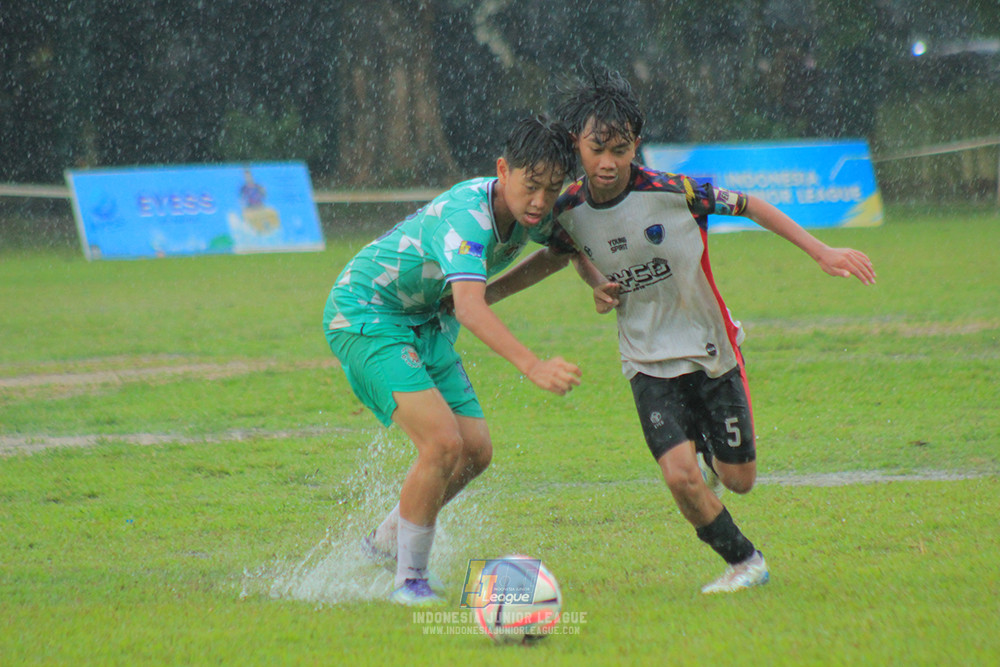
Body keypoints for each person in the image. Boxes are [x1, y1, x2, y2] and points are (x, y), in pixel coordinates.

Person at [488, 68, 876, 594]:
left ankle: (710, 459)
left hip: (710, 348)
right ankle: (744, 562)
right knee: (678, 475)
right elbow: (565, 253)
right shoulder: (568, 209)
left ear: (636, 146)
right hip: (646, 360)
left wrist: (821, 251)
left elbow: (752, 205)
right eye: (597, 149)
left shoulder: (675, 191)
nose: (608, 162)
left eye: (620, 149)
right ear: (577, 143)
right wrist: (564, 285)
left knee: (739, 480)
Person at [322, 115, 584, 606]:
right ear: (502, 170)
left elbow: (562, 250)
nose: (540, 201)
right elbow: (469, 307)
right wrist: (533, 365)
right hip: (365, 313)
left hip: (426, 319)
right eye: (530, 186)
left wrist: (598, 283)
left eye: (552, 190)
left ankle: (385, 540)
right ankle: (409, 582)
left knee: (475, 450)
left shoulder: (535, 212)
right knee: (442, 443)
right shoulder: (468, 218)